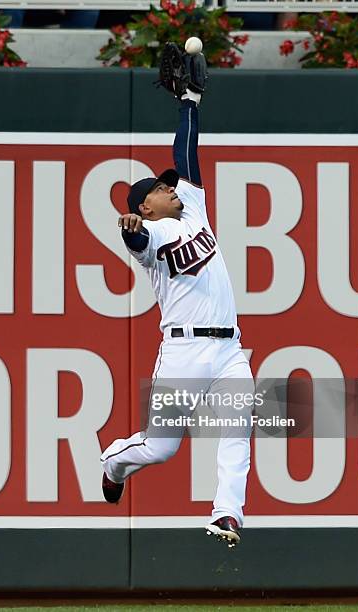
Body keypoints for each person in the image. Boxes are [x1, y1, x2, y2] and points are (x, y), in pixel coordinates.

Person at [100, 45, 254, 549]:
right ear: (146, 205)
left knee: (239, 428)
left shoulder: (193, 214)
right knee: (161, 449)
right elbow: (138, 241)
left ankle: (227, 515)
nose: (173, 189)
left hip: (230, 348)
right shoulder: (153, 238)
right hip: (184, 351)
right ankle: (113, 461)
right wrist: (130, 230)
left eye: (171, 187)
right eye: (162, 189)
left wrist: (189, 103)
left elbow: (186, 157)